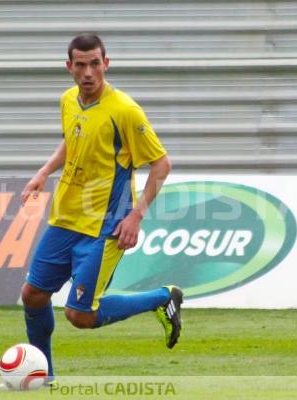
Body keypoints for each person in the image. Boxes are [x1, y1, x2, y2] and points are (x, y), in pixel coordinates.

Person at [20, 33, 182, 382]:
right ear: (69, 67)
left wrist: (136, 215)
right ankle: (43, 377)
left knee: (80, 316)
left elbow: (162, 164)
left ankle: (161, 298)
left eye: (95, 63)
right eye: (81, 64)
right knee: (33, 295)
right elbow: (72, 140)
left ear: (106, 64)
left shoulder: (124, 110)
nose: (89, 72)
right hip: (65, 218)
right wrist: (44, 172)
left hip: (104, 226)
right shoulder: (67, 100)